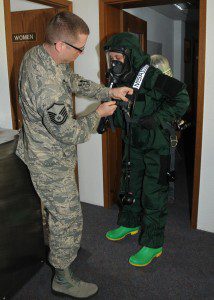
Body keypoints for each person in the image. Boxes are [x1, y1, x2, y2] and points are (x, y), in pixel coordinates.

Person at [16, 12, 132, 298]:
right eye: (79, 48)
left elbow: (73, 81)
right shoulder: (44, 84)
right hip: (48, 161)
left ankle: (60, 254)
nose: (80, 53)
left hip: (50, 152)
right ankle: (63, 279)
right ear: (60, 46)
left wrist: (109, 92)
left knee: (58, 215)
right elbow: (69, 133)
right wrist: (98, 114)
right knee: (68, 218)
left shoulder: (41, 54)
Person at [104, 32, 190, 267]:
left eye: (117, 57)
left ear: (130, 55)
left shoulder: (151, 75)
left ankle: (153, 244)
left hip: (156, 144)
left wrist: (158, 118)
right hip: (133, 142)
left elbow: (182, 97)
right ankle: (130, 222)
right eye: (110, 57)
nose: (114, 62)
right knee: (130, 183)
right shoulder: (120, 78)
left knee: (153, 191)